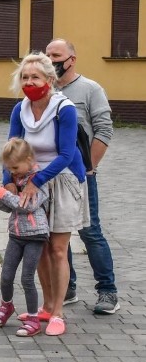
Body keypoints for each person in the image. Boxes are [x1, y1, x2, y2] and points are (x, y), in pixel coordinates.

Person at [4, 52, 88, 337]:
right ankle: (46, 306)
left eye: (35, 77)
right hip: (30, 181)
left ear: (50, 80)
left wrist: (34, 182)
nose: (29, 82)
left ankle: (59, 313)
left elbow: (66, 154)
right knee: (37, 245)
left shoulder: (64, 109)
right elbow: (11, 148)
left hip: (61, 179)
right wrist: (9, 182)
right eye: (25, 77)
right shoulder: (21, 110)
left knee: (58, 249)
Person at [45, 38, 118, 314]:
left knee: (90, 232)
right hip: (51, 175)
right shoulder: (45, 90)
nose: (52, 60)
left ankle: (108, 291)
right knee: (57, 234)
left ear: (71, 60)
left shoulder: (89, 89)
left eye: (57, 55)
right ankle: (68, 288)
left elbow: (104, 130)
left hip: (80, 174)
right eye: (48, 55)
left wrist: (89, 167)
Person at [0, 139, 49, 337]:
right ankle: (6, 305)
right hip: (16, 234)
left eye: (15, 167)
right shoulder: (16, 180)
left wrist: (5, 196)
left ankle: (33, 318)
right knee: (6, 275)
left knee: (26, 278)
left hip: (35, 235)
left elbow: (27, 206)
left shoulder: (39, 180)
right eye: (10, 169)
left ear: (29, 160)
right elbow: (10, 207)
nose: (13, 172)